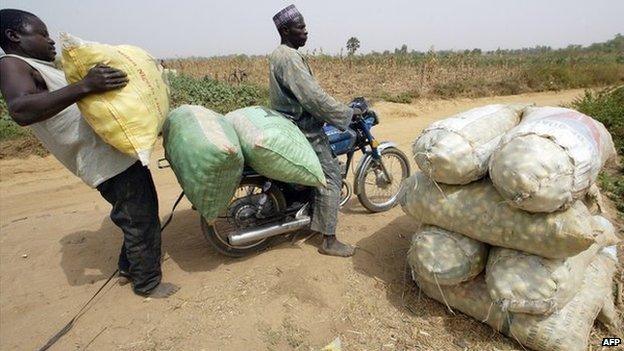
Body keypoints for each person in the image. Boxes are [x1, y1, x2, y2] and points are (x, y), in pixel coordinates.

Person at [0, 9, 178, 298]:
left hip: (112, 152)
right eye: (42, 34)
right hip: (102, 161)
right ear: (14, 36)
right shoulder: (11, 65)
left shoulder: (35, 65)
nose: (50, 41)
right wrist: (85, 86)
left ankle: (128, 267)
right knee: (140, 217)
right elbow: (21, 110)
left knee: (135, 213)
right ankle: (147, 284)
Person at [269, 5, 361, 257]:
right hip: (304, 129)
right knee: (331, 176)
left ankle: (309, 213)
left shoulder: (279, 54)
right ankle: (329, 241)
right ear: (286, 30)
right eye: (300, 27)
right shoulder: (289, 57)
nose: (306, 31)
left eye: (305, 26)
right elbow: (313, 98)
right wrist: (347, 113)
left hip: (288, 122)